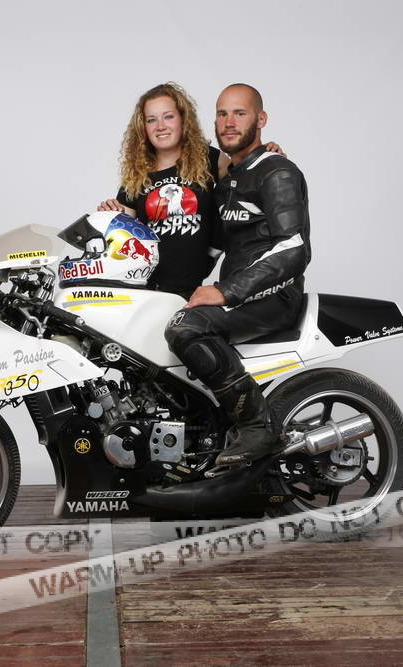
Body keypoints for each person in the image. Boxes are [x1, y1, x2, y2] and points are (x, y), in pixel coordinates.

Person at [164, 83, 311, 467]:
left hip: (274, 295)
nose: (229, 122)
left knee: (185, 329)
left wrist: (227, 292)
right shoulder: (229, 179)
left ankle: (257, 425)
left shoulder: (277, 172)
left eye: (239, 113)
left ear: (260, 120)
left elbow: (293, 248)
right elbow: (210, 246)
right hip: (240, 294)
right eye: (222, 113)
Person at [98, 82, 282, 299]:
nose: (160, 126)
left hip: (189, 290)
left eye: (168, 117)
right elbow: (121, 240)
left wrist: (266, 155)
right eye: (151, 120)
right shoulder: (136, 175)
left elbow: (248, 175)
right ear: (143, 127)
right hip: (144, 290)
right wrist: (109, 217)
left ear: (183, 119)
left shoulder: (208, 158)